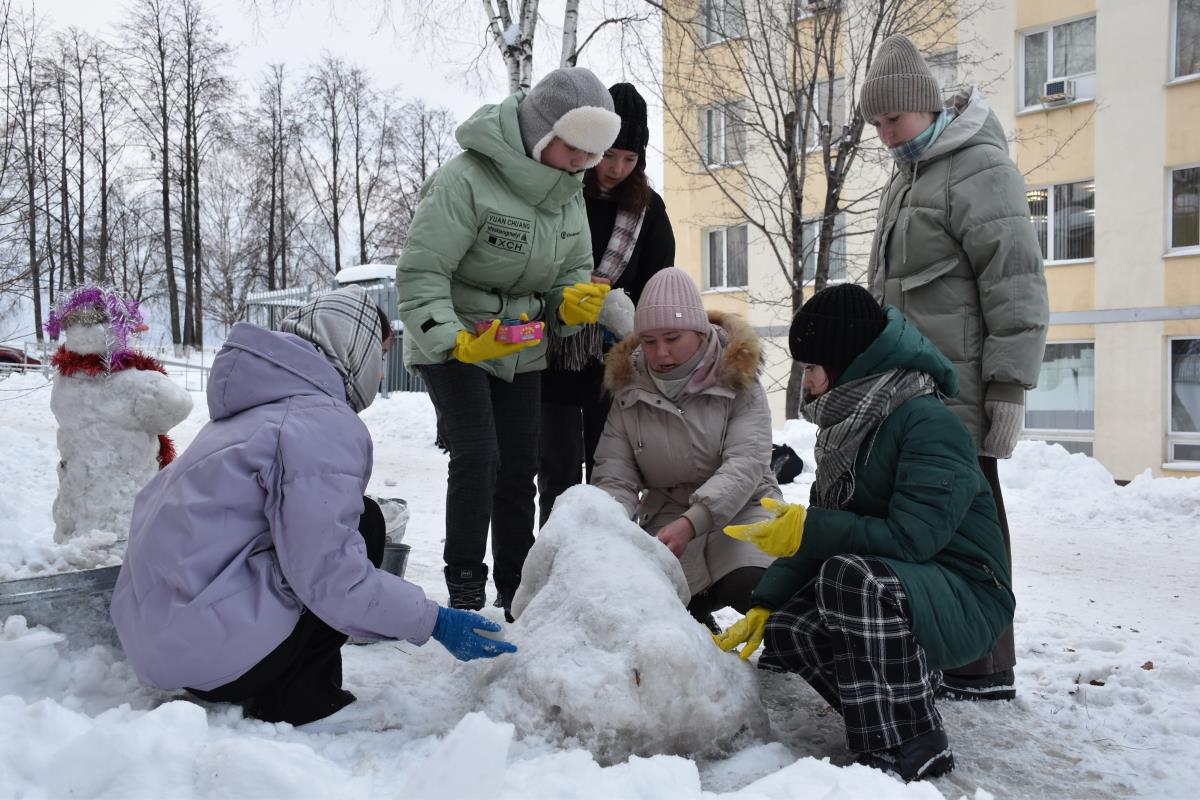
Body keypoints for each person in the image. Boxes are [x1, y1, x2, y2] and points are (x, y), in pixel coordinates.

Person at [110, 287, 516, 731]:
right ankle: (303, 697)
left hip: (163, 646)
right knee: (366, 525)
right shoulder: (319, 422)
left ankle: (270, 672)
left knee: (343, 527)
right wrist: (433, 620)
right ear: (354, 349)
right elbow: (331, 575)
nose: (381, 376)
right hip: (215, 658)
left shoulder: (249, 411)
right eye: (380, 357)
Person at [714, 284, 1014, 782]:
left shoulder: (925, 421)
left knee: (850, 578)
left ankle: (915, 739)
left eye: (810, 369)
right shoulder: (853, 423)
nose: (805, 384)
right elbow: (823, 535)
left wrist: (810, 528)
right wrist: (767, 602)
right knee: (792, 629)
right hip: (913, 586)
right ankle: (885, 719)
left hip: (967, 595)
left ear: (845, 364)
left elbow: (913, 538)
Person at [860, 34, 1048, 701]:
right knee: (923, 530)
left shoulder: (978, 168)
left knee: (973, 534)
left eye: (892, 120)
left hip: (959, 393)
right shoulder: (907, 177)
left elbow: (1017, 283)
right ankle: (940, 651)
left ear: (926, 107)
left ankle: (986, 666)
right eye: (876, 123)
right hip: (906, 397)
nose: (884, 134)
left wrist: (1006, 387)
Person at [396, 67, 622, 620]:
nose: (584, 165)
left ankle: (516, 585)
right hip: (459, 339)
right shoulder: (465, 180)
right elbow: (421, 275)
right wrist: (455, 342)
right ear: (543, 131)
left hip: (520, 344)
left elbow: (569, 275)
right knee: (479, 454)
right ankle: (466, 580)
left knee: (522, 463)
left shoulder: (569, 197)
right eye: (575, 149)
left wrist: (572, 306)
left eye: (593, 156)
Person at [591, 268, 776, 628]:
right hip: (665, 518)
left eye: (673, 338)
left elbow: (745, 464)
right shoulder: (629, 387)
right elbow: (615, 475)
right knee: (651, 615)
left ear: (700, 331)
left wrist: (693, 523)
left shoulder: (738, 378)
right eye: (648, 341)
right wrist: (605, 527)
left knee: (760, 590)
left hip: (743, 511)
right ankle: (695, 620)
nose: (661, 353)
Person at [538, 81, 676, 527]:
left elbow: (660, 283)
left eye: (629, 159)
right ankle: (554, 562)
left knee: (609, 478)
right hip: (555, 355)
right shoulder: (562, 193)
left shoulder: (648, 210)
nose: (617, 168)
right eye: (611, 154)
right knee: (555, 478)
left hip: (613, 363)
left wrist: (621, 305)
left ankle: (602, 564)